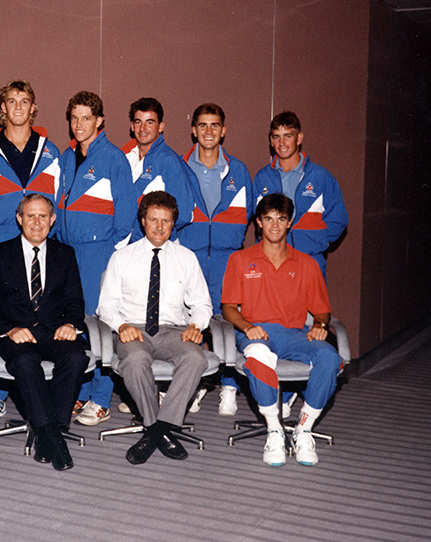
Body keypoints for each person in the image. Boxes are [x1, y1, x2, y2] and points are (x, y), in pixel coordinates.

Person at [221, 193, 342, 467]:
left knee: (328, 357)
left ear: (290, 223)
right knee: (259, 357)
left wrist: (320, 326)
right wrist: (247, 326)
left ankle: (303, 430)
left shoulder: (307, 264)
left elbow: (322, 310)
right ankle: (274, 430)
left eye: (281, 219)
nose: (275, 225)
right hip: (255, 333)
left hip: (294, 335)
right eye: (268, 219)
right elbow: (228, 307)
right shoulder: (240, 260)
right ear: (259, 223)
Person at [0, 80, 62, 424]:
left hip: (39, 251)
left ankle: (36, 391)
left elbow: (59, 206)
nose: (18, 107)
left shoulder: (50, 152)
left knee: (39, 317)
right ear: (3, 108)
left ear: (33, 108)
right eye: (12, 101)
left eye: (25, 101)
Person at [97, 191, 212, 465]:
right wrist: (121, 325)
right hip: (134, 329)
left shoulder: (186, 258)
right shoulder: (122, 258)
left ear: (173, 223)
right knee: (135, 359)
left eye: (166, 221)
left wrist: (196, 325)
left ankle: (155, 431)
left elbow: (202, 305)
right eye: (153, 220)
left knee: (196, 358)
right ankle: (158, 428)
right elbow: (106, 306)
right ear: (143, 221)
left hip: (174, 330)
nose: (159, 227)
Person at [0, 194, 89, 471]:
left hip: (53, 332)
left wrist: (70, 324)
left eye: (42, 216)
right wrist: (9, 329)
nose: (36, 222)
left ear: (52, 220)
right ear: (19, 219)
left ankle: (47, 430)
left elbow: (76, 301)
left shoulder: (65, 253)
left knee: (77, 357)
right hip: (17, 334)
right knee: (26, 363)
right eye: (30, 216)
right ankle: (54, 438)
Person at [59, 91, 136, 426]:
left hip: (98, 253)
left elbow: (127, 214)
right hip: (67, 250)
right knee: (74, 322)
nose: (79, 125)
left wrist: (113, 256)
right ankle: (81, 389)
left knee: (99, 324)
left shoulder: (113, 158)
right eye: (74, 118)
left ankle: (102, 397)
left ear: (100, 120)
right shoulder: (66, 156)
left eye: (86, 118)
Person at [180, 103, 254, 416]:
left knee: (228, 323)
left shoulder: (238, 171)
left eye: (215, 125)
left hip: (227, 261)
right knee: (190, 323)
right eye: (202, 125)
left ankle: (229, 386)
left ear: (223, 131)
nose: (208, 131)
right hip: (190, 258)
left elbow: (250, 215)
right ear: (194, 130)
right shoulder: (180, 167)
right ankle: (193, 383)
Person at [251, 111, 348, 279]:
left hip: (310, 262)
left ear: (299, 138)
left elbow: (338, 219)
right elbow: (258, 218)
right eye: (276, 137)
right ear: (271, 141)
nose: (282, 143)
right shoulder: (262, 178)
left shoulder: (320, 177)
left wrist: (314, 243)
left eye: (287, 136)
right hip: (271, 263)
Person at [123, 97, 194, 244]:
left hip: (156, 247)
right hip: (127, 247)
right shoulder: (125, 158)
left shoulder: (169, 162)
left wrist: (156, 237)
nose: (142, 129)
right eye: (138, 122)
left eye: (150, 122)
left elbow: (184, 213)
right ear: (131, 126)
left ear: (161, 126)